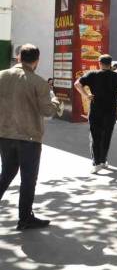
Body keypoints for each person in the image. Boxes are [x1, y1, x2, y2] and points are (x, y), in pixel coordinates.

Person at [0, 44, 61, 230]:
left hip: (4, 135)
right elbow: (47, 110)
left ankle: (26, 217)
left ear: (18, 57)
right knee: (28, 179)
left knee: (7, 173)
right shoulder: (39, 82)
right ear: (36, 61)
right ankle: (25, 218)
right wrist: (55, 100)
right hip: (30, 139)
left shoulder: (2, 76)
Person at [74, 54, 117, 174]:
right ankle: (103, 161)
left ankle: (96, 163)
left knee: (95, 136)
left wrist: (86, 95)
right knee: (106, 136)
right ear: (111, 64)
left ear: (99, 63)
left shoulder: (92, 74)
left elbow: (77, 84)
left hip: (96, 111)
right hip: (111, 112)